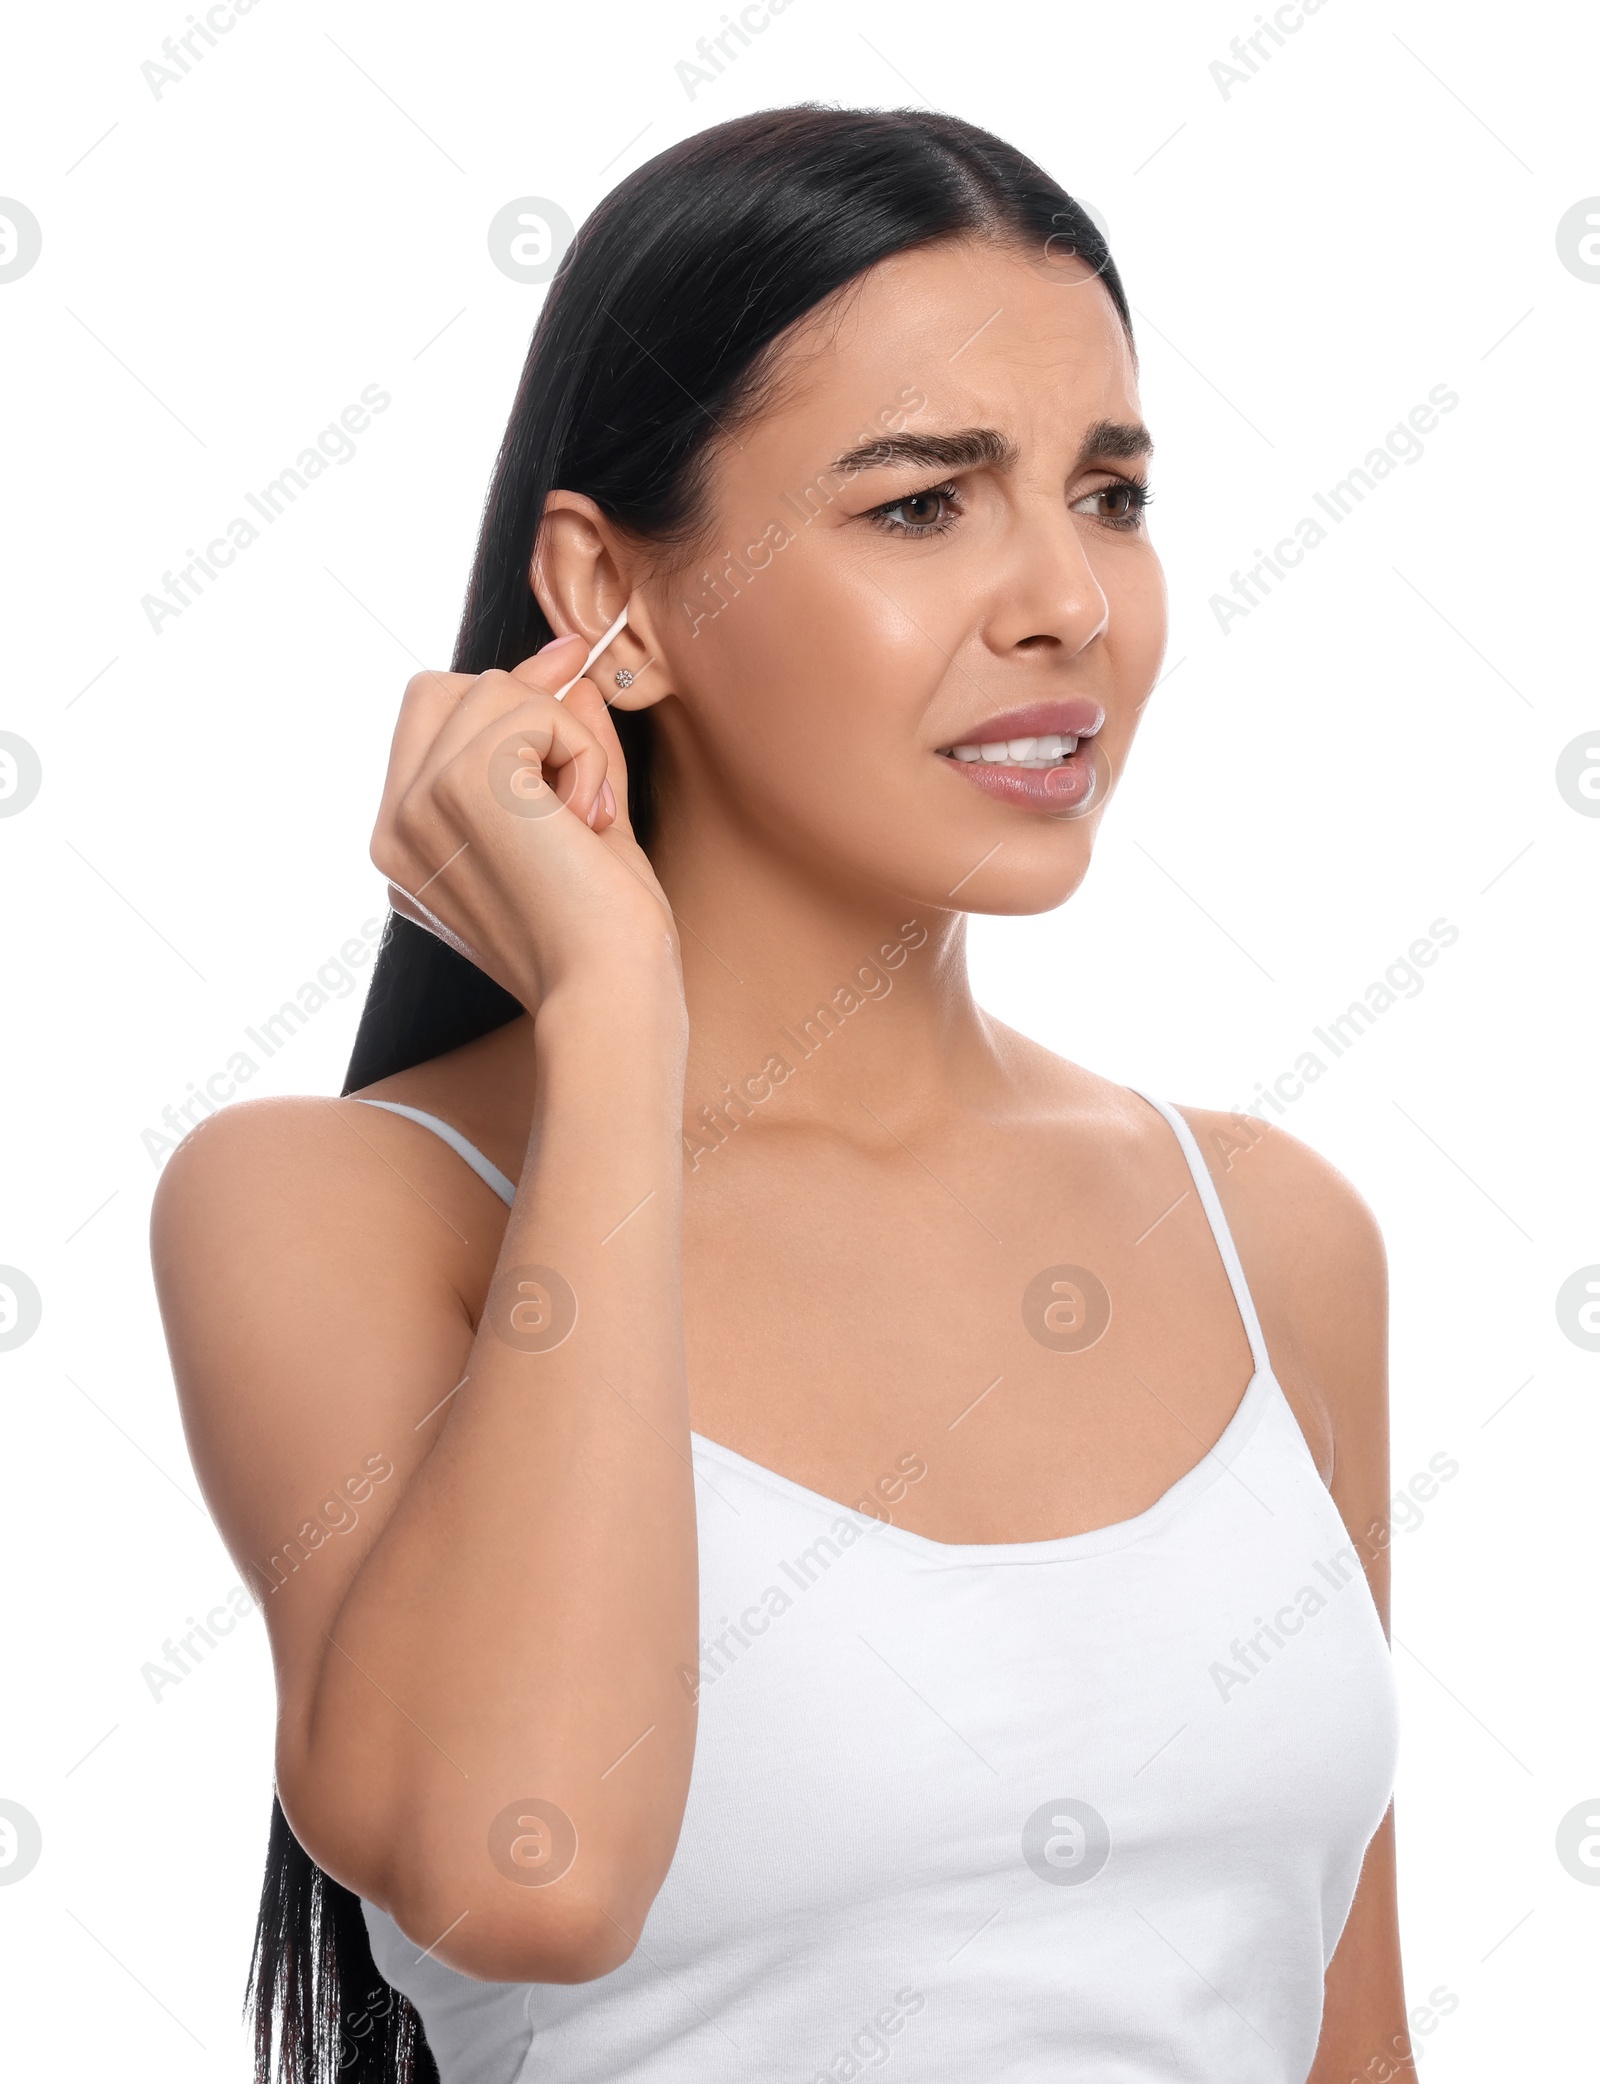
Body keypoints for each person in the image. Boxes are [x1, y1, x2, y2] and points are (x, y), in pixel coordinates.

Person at [151, 104, 1405, 2084]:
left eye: (1108, 493)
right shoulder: (329, 1205)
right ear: (605, 597)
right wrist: (613, 1013)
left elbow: (1352, 2050)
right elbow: (524, 1873)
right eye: (922, 503)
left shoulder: (1271, 1237)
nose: (1064, 601)